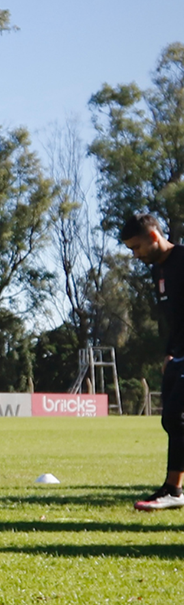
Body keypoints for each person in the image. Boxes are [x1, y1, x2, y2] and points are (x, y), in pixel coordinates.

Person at [121, 212, 184, 511]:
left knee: (175, 416)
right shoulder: (157, 271)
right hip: (178, 355)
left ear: (154, 236)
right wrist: (169, 353)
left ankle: (173, 489)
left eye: (137, 247)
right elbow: (172, 319)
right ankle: (174, 488)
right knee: (173, 421)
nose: (135, 254)